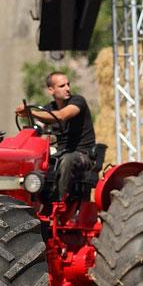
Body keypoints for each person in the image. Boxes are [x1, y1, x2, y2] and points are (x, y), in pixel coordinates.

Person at [15, 71, 96, 200]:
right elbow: (39, 126)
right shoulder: (49, 108)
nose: (68, 88)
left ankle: (59, 200)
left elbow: (61, 115)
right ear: (51, 90)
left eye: (68, 84)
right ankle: (33, 200)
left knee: (68, 160)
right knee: (37, 161)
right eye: (62, 86)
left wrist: (31, 111)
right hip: (61, 153)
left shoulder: (78, 101)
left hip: (83, 155)